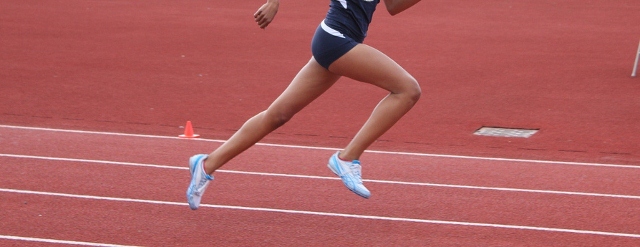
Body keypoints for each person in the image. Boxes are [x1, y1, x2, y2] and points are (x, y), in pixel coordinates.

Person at [187, 0, 422, 210]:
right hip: (336, 40)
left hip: (339, 41)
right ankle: (347, 158)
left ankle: (207, 164)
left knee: (277, 115)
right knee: (407, 90)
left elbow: (393, 6)